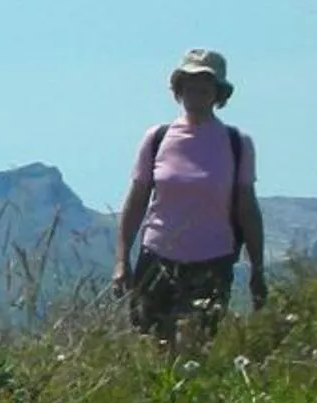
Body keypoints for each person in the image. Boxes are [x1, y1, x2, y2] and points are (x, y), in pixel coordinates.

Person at [112, 48, 267, 348]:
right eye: (189, 84)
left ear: (219, 93)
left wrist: (257, 269)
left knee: (195, 348)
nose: (196, 91)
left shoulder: (237, 144)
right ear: (179, 89)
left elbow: (247, 208)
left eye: (205, 85)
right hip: (157, 258)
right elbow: (136, 201)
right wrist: (122, 260)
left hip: (212, 261)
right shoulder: (157, 138)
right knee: (151, 347)